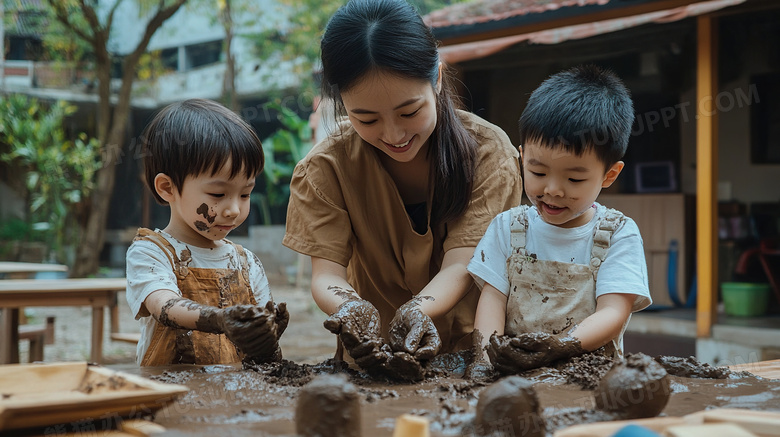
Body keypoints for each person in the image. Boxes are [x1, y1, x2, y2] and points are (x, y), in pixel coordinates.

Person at [283, 0, 523, 377]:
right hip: (371, 364)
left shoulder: (489, 154)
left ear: (438, 79)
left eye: (409, 112)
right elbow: (326, 275)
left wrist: (415, 310)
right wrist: (352, 309)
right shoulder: (325, 168)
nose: (394, 135)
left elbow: (463, 264)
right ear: (342, 104)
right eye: (366, 118)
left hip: (469, 362)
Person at [466, 65, 652, 376]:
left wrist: (560, 347)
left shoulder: (618, 234)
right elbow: (492, 301)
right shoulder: (507, 228)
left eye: (575, 179)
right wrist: (486, 361)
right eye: (538, 173)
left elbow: (613, 312)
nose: (552, 189)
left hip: (588, 377)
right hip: (515, 376)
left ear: (609, 175)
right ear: (523, 157)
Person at [126, 98, 288, 366]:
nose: (234, 209)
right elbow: (164, 306)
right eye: (218, 194)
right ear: (167, 188)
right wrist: (219, 319)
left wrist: (270, 330)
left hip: (234, 394)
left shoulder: (245, 262)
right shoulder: (151, 253)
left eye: (245, 193)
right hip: (171, 394)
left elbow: (260, 337)